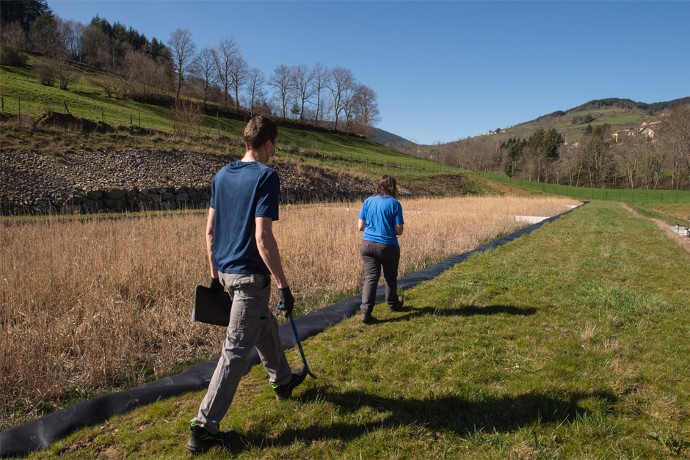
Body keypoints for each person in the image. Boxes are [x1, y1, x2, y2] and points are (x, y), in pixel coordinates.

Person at [187, 116, 308, 454]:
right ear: (268, 144)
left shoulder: (221, 175)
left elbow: (209, 230)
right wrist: (283, 284)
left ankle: (282, 380)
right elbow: (262, 236)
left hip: (225, 273)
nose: (275, 152)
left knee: (263, 322)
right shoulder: (267, 177)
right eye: (275, 146)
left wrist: (214, 272)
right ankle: (204, 426)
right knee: (236, 349)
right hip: (248, 279)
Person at [357, 175, 405, 323]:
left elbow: (360, 226)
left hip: (367, 245)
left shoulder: (368, 201)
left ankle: (366, 311)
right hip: (387, 246)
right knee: (390, 276)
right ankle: (393, 303)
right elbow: (399, 230)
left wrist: (373, 229)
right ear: (393, 187)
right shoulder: (394, 204)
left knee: (371, 278)